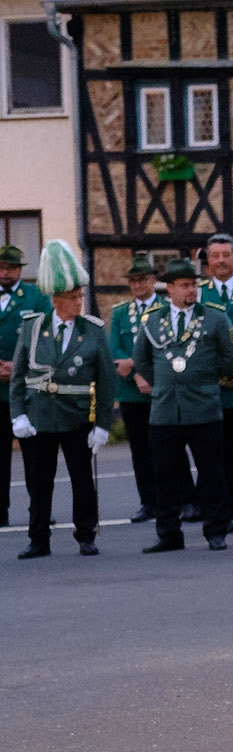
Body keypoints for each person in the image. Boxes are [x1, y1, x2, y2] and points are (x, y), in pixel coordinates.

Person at [8, 239, 114, 560]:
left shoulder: (93, 330)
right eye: (72, 297)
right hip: (40, 417)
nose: (79, 301)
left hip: (77, 418)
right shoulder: (32, 328)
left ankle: (85, 535)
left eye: (80, 295)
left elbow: (106, 382)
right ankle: (38, 539)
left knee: (82, 481)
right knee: (39, 484)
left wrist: (103, 426)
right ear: (56, 299)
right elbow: (19, 376)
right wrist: (19, 415)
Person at [132, 257, 233, 553]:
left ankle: (216, 530)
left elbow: (230, 356)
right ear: (170, 289)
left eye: (193, 284)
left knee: (212, 472)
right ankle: (168, 533)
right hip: (165, 411)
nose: (191, 290)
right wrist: (163, 383)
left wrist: (208, 377)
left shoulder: (215, 318)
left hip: (203, 408)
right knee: (165, 476)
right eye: (184, 286)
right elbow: (141, 359)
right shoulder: (153, 320)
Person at [108, 254, 167, 522]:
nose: (138, 285)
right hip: (132, 392)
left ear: (153, 281)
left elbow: (166, 349)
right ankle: (148, 502)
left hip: (160, 389)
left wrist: (142, 370)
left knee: (164, 448)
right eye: (133, 281)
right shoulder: (121, 313)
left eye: (143, 279)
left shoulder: (165, 309)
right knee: (140, 451)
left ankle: (171, 500)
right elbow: (116, 352)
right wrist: (137, 375)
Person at [199, 231, 233, 531]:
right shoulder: (200, 293)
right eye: (214, 256)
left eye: (225, 255)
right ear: (207, 261)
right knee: (216, 457)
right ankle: (227, 511)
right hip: (212, 389)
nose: (220, 261)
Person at [0, 242, 50, 530]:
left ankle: (39, 509)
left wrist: (16, 367)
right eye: (1, 268)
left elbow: (44, 338)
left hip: (27, 388)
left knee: (36, 457)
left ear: (20, 270)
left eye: (10, 268)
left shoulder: (35, 296)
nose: (5, 273)